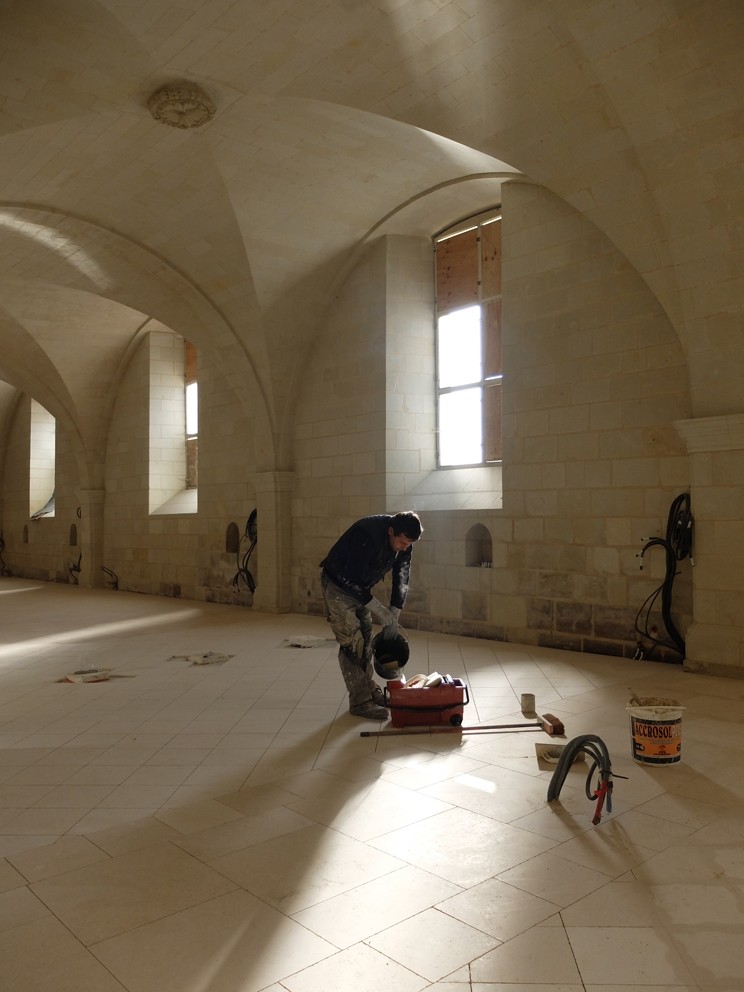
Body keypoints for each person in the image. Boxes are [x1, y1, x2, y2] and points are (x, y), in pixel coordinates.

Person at [320, 511, 423, 719]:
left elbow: (402, 575)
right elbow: (350, 581)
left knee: (367, 640)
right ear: (391, 531)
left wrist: (395, 610)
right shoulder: (366, 535)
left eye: (409, 544)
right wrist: (380, 610)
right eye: (402, 543)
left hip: (361, 588)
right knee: (352, 643)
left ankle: (368, 689)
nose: (404, 548)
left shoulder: (404, 543)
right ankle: (360, 701)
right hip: (338, 586)